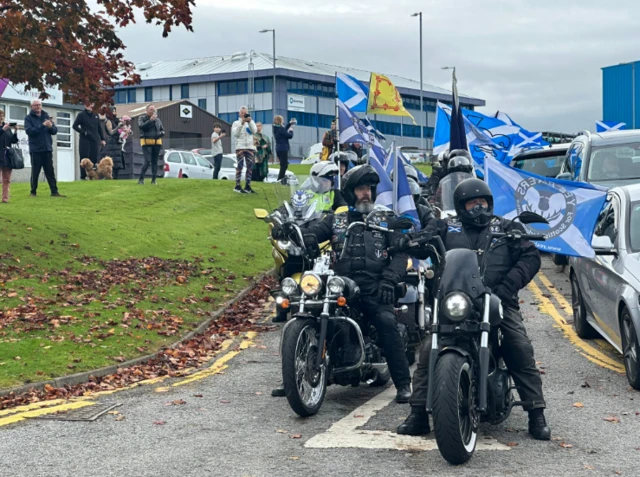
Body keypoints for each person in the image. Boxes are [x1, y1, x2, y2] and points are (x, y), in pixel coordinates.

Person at [396, 178, 551, 441]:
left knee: (518, 345)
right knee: (426, 350)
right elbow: (427, 236)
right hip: (455, 300)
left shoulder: (506, 226)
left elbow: (531, 257)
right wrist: (412, 239)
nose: (478, 207)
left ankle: (536, 413)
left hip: (496, 300)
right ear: (461, 206)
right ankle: (419, 413)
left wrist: (505, 288)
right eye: (472, 203)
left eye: (482, 202)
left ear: (489, 203)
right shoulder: (447, 226)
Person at [271, 165, 413, 403]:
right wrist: (293, 231)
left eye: (369, 188)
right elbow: (313, 232)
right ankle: (292, 379)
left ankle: (403, 384)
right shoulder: (336, 219)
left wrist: (389, 279)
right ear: (349, 192)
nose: (366, 193)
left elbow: (402, 254)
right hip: (339, 284)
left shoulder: (385, 219)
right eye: (360, 189)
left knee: (386, 322)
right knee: (303, 310)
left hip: (374, 286)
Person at [24, 99, 63, 197]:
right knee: (35, 172)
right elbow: (30, 131)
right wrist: (42, 125)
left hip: (47, 148)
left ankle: (54, 191)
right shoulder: (28, 118)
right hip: (36, 149)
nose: (38, 107)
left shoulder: (46, 116)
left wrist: (50, 126)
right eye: (36, 105)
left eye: (39, 105)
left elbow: (54, 131)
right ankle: (33, 192)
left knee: (50, 171)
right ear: (31, 107)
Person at [73, 101, 105, 179]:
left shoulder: (96, 115)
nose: (90, 106)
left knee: (94, 157)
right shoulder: (81, 115)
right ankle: (83, 176)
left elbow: (99, 128)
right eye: (88, 104)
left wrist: (102, 139)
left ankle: (93, 175)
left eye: (91, 104)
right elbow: (75, 126)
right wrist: (84, 132)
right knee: (84, 157)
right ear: (85, 105)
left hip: (94, 140)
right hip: (85, 140)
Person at [231, 106, 257, 193]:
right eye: (242, 113)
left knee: (250, 167)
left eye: (245, 113)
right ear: (239, 113)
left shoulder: (251, 122)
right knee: (240, 166)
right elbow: (235, 134)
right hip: (240, 147)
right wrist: (242, 123)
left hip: (250, 147)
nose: (243, 115)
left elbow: (254, 131)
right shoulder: (236, 123)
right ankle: (237, 186)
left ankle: (248, 186)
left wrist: (249, 122)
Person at [137, 104, 164, 185]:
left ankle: (154, 180)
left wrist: (161, 133)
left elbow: (162, 130)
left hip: (157, 142)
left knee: (154, 161)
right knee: (147, 160)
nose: (153, 111)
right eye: (151, 110)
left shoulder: (158, 120)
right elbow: (141, 126)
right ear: (147, 111)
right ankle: (141, 179)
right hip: (146, 142)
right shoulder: (142, 118)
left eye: (154, 110)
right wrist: (150, 121)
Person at [0, 110, 18, 203]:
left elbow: (13, 141)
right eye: (0, 115)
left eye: (2, 115)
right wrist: (2, 130)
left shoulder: (7, 128)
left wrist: (15, 131)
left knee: (6, 179)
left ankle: (5, 198)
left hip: (7, 156)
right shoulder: (3, 128)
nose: (1, 117)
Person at [274, 115, 295, 182]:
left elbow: (284, 130)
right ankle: (280, 179)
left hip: (278, 148)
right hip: (283, 148)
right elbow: (289, 136)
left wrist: (289, 124)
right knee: (284, 165)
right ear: (281, 121)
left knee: (283, 164)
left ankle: (280, 178)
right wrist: (291, 131)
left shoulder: (276, 128)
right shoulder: (281, 129)